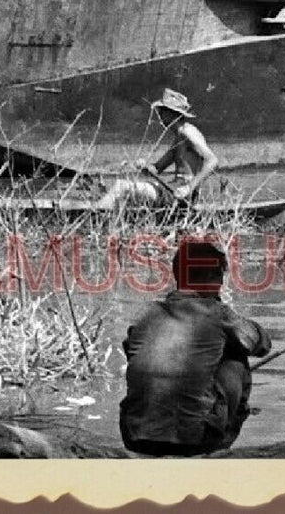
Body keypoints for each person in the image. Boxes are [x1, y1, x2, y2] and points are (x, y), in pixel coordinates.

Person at [120, 239, 273, 456]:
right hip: (197, 441)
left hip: (134, 437)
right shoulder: (218, 313)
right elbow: (261, 345)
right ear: (214, 278)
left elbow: (130, 350)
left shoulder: (145, 315)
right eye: (220, 276)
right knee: (237, 357)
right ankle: (221, 444)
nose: (222, 284)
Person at [100, 88, 218, 208]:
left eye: (162, 111)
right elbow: (157, 168)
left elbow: (212, 160)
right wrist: (144, 166)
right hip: (172, 189)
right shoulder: (178, 138)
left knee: (121, 187)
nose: (160, 115)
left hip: (181, 194)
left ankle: (93, 215)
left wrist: (189, 187)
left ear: (172, 113)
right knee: (128, 195)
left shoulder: (188, 132)